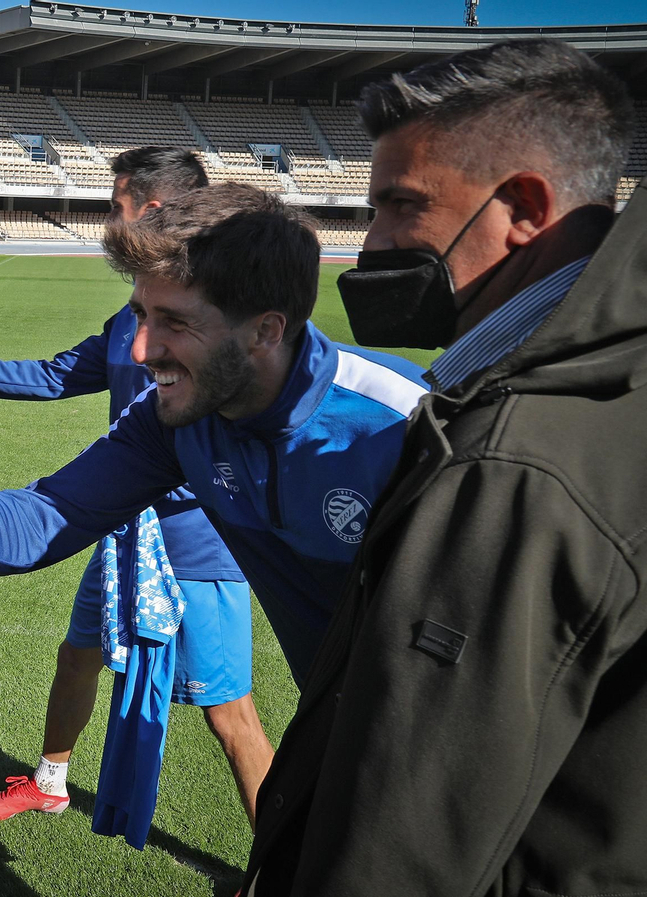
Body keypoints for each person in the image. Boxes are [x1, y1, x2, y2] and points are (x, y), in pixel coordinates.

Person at [246, 39, 646, 896]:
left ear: (525, 209)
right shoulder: (610, 374)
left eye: (401, 206)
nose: (372, 244)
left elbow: (403, 835)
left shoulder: (515, 459)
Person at [0, 184, 426, 688]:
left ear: (266, 329)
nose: (139, 351)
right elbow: (46, 518)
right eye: (139, 315)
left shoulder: (410, 424)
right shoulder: (171, 421)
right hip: (340, 720)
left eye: (175, 323)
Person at [0, 148, 272, 828]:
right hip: (123, 529)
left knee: (229, 712)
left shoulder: (222, 320)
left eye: (114, 203)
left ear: (152, 210)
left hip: (197, 545)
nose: (106, 218)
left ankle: (287, 863)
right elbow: (51, 375)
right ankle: (51, 781)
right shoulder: (133, 315)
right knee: (78, 655)